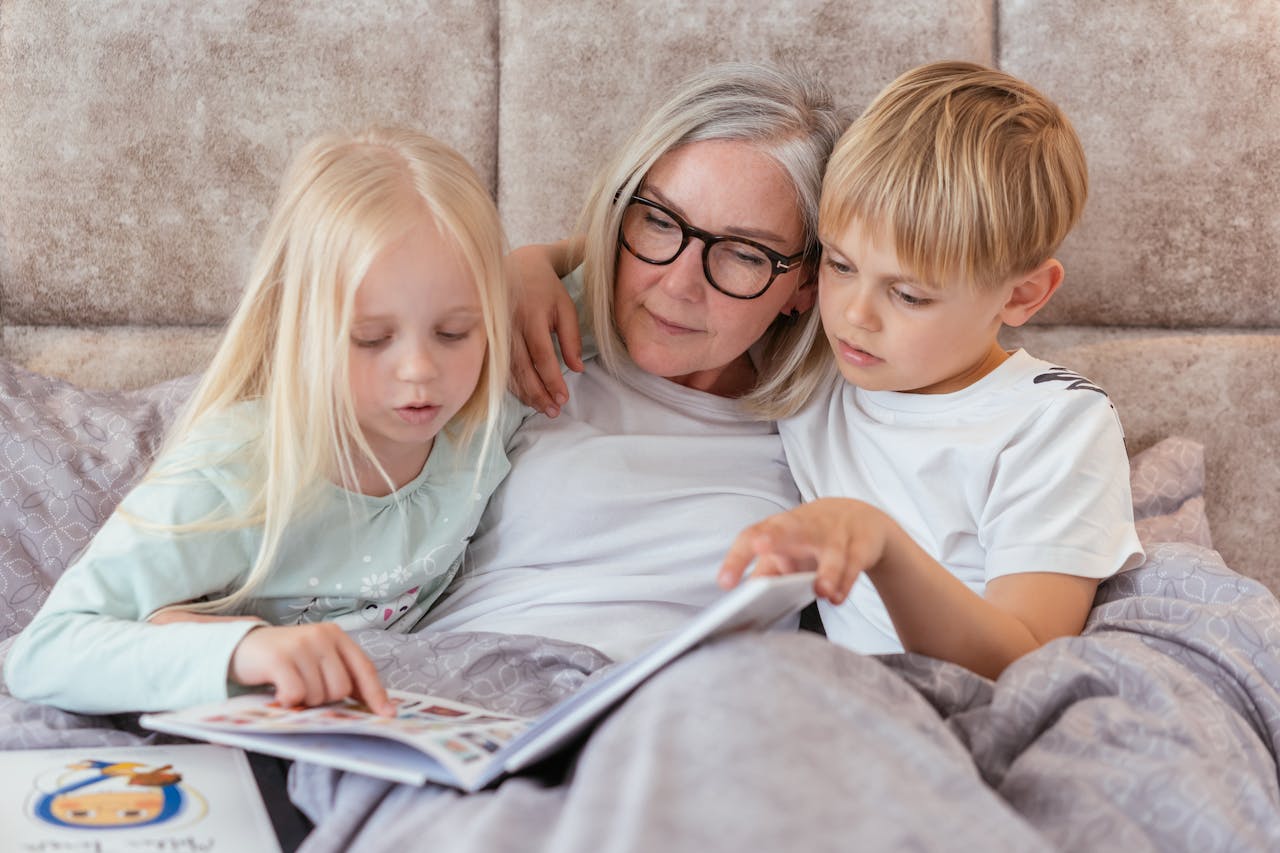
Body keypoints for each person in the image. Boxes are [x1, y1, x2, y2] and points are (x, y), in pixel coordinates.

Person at [4, 127, 517, 715]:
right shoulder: (237, 471)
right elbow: (42, 652)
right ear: (299, 329)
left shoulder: (485, 410)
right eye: (370, 339)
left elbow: (612, 282)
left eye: (455, 332)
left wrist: (537, 266)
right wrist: (240, 652)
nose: (420, 371)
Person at [718, 61, 1145, 678]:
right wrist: (544, 268)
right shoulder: (817, 358)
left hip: (951, 710)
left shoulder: (1054, 424)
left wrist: (881, 545)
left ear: (1021, 297)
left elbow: (1026, 660)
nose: (854, 315)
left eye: (909, 296)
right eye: (839, 264)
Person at [414, 62, 846, 660]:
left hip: (693, 714)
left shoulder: (837, 420)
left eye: (744, 254)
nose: (678, 284)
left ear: (805, 285)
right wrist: (525, 266)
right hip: (466, 687)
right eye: (661, 222)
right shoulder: (532, 341)